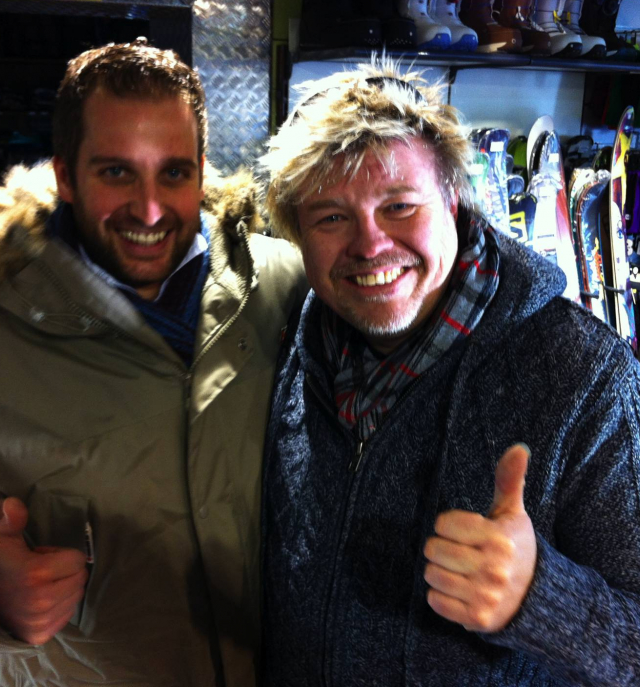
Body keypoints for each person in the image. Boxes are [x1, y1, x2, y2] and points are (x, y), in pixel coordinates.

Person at [259, 60, 640, 686]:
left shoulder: (585, 374)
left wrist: (542, 600)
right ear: (298, 234)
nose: (370, 245)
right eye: (331, 217)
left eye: (399, 206)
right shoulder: (300, 348)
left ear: (455, 202)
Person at [0, 40, 306, 686]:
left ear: (201, 170)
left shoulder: (293, 290)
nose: (150, 209)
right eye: (116, 172)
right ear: (65, 176)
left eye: (174, 173)